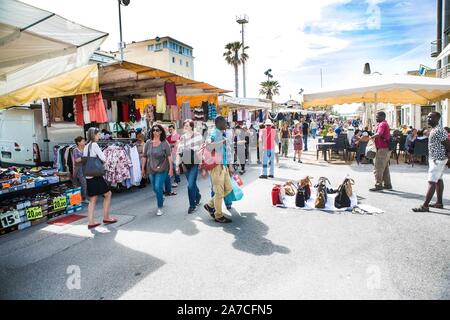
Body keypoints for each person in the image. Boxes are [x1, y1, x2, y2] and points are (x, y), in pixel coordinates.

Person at [412, 112, 450, 212]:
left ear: (437, 119)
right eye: (428, 117)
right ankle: (439, 203)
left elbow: (447, 144)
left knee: (431, 181)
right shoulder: (435, 129)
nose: (428, 119)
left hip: (438, 159)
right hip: (436, 158)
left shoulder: (439, 130)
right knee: (438, 180)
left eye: (431, 117)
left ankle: (425, 205)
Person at [83, 128, 116, 229]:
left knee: (93, 199)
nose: (100, 136)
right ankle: (106, 217)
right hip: (96, 175)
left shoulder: (86, 146)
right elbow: (103, 158)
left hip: (88, 175)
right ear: (94, 135)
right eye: (98, 134)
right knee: (108, 194)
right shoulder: (94, 145)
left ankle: (91, 221)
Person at [203, 116, 234, 223]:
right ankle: (218, 215)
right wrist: (222, 142)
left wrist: (228, 165)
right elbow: (208, 145)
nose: (226, 124)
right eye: (225, 122)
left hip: (223, 165)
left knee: (228, 188)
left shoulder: (220, 133)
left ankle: (210, 205)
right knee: (219, 192)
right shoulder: (214, 133)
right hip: (216, 166)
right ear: (219, 123)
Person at [141, 124, 174, 216]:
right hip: (150, 168)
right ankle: (161, 197)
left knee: (158, 186)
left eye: (157, 130)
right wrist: (142, 169)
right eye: (153, 130)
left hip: (162, 168)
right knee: (155, 188)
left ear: (160, 132)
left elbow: (169, 156)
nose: (155, 132)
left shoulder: (164, 143)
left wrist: (171, 169)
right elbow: (144, 156)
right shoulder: (148, 143)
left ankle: (159, 207)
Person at [176, 119, 203, 214]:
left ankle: (192, 205)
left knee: (190, 185)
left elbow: (201, 149)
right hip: (185, 162)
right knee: (192, 183)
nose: (185, 127)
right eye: (184, 125)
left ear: (191, 126)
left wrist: (200, 162)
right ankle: (198, 196)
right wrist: (177, 165)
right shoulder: (182, 137)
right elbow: (179, 151)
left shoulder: (198, 135)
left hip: (195, 161)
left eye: (187, 125)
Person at [369, 111, 392, 192]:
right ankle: (387, 184)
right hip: (385, 148)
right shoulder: (383, 123)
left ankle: (378, 185)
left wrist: (371, 137)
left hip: (382, 148)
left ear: (382, 117)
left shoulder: (382, 124)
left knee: (378, 167)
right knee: (385, 167)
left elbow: (379, 133)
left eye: (377, 116)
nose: (376, 118)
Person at [72, 136, 89, 204]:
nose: (84, 142)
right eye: (82, 141)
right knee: (83, 183)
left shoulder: (86, 149)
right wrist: (85, 157)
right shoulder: (75, 150)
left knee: (85, 183)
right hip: (79, 168)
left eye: (84, 141)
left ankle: (83, 197)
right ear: (78, 143)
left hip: (86, 167)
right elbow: (76, 160)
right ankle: (83, 198)